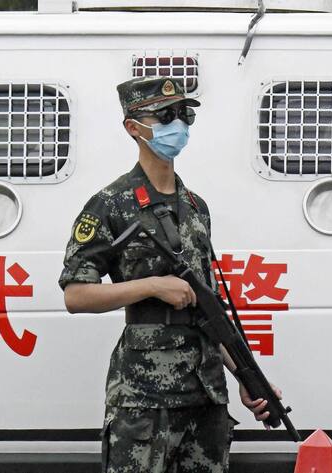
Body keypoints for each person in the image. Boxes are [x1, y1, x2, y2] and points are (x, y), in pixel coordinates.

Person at [59, 77, 282, 473]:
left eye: (183, 114)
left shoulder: (195, 207)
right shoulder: (112, 204)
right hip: (144, 398)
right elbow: (76, 295)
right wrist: (151, 286)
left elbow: (210, 307)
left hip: (206, 395)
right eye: (164, 116)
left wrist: (247, 377)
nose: (176, 124)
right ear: (133, 128)